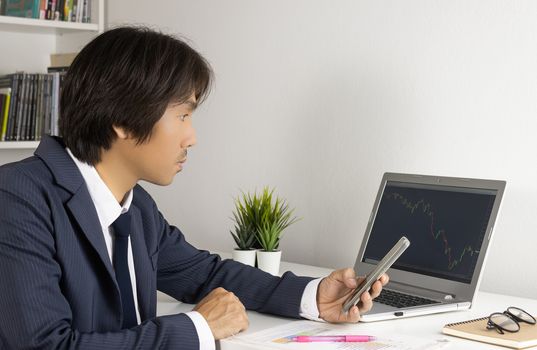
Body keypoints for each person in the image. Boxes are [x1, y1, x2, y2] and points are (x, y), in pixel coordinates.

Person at [0, 27, 388, 350]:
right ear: (121, 118)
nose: (192, 137)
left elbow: (205, 274)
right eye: (183, 115)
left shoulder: (136, 208)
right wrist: (199, 327)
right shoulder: (17, 198)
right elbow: (46, 345)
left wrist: (314, 297)